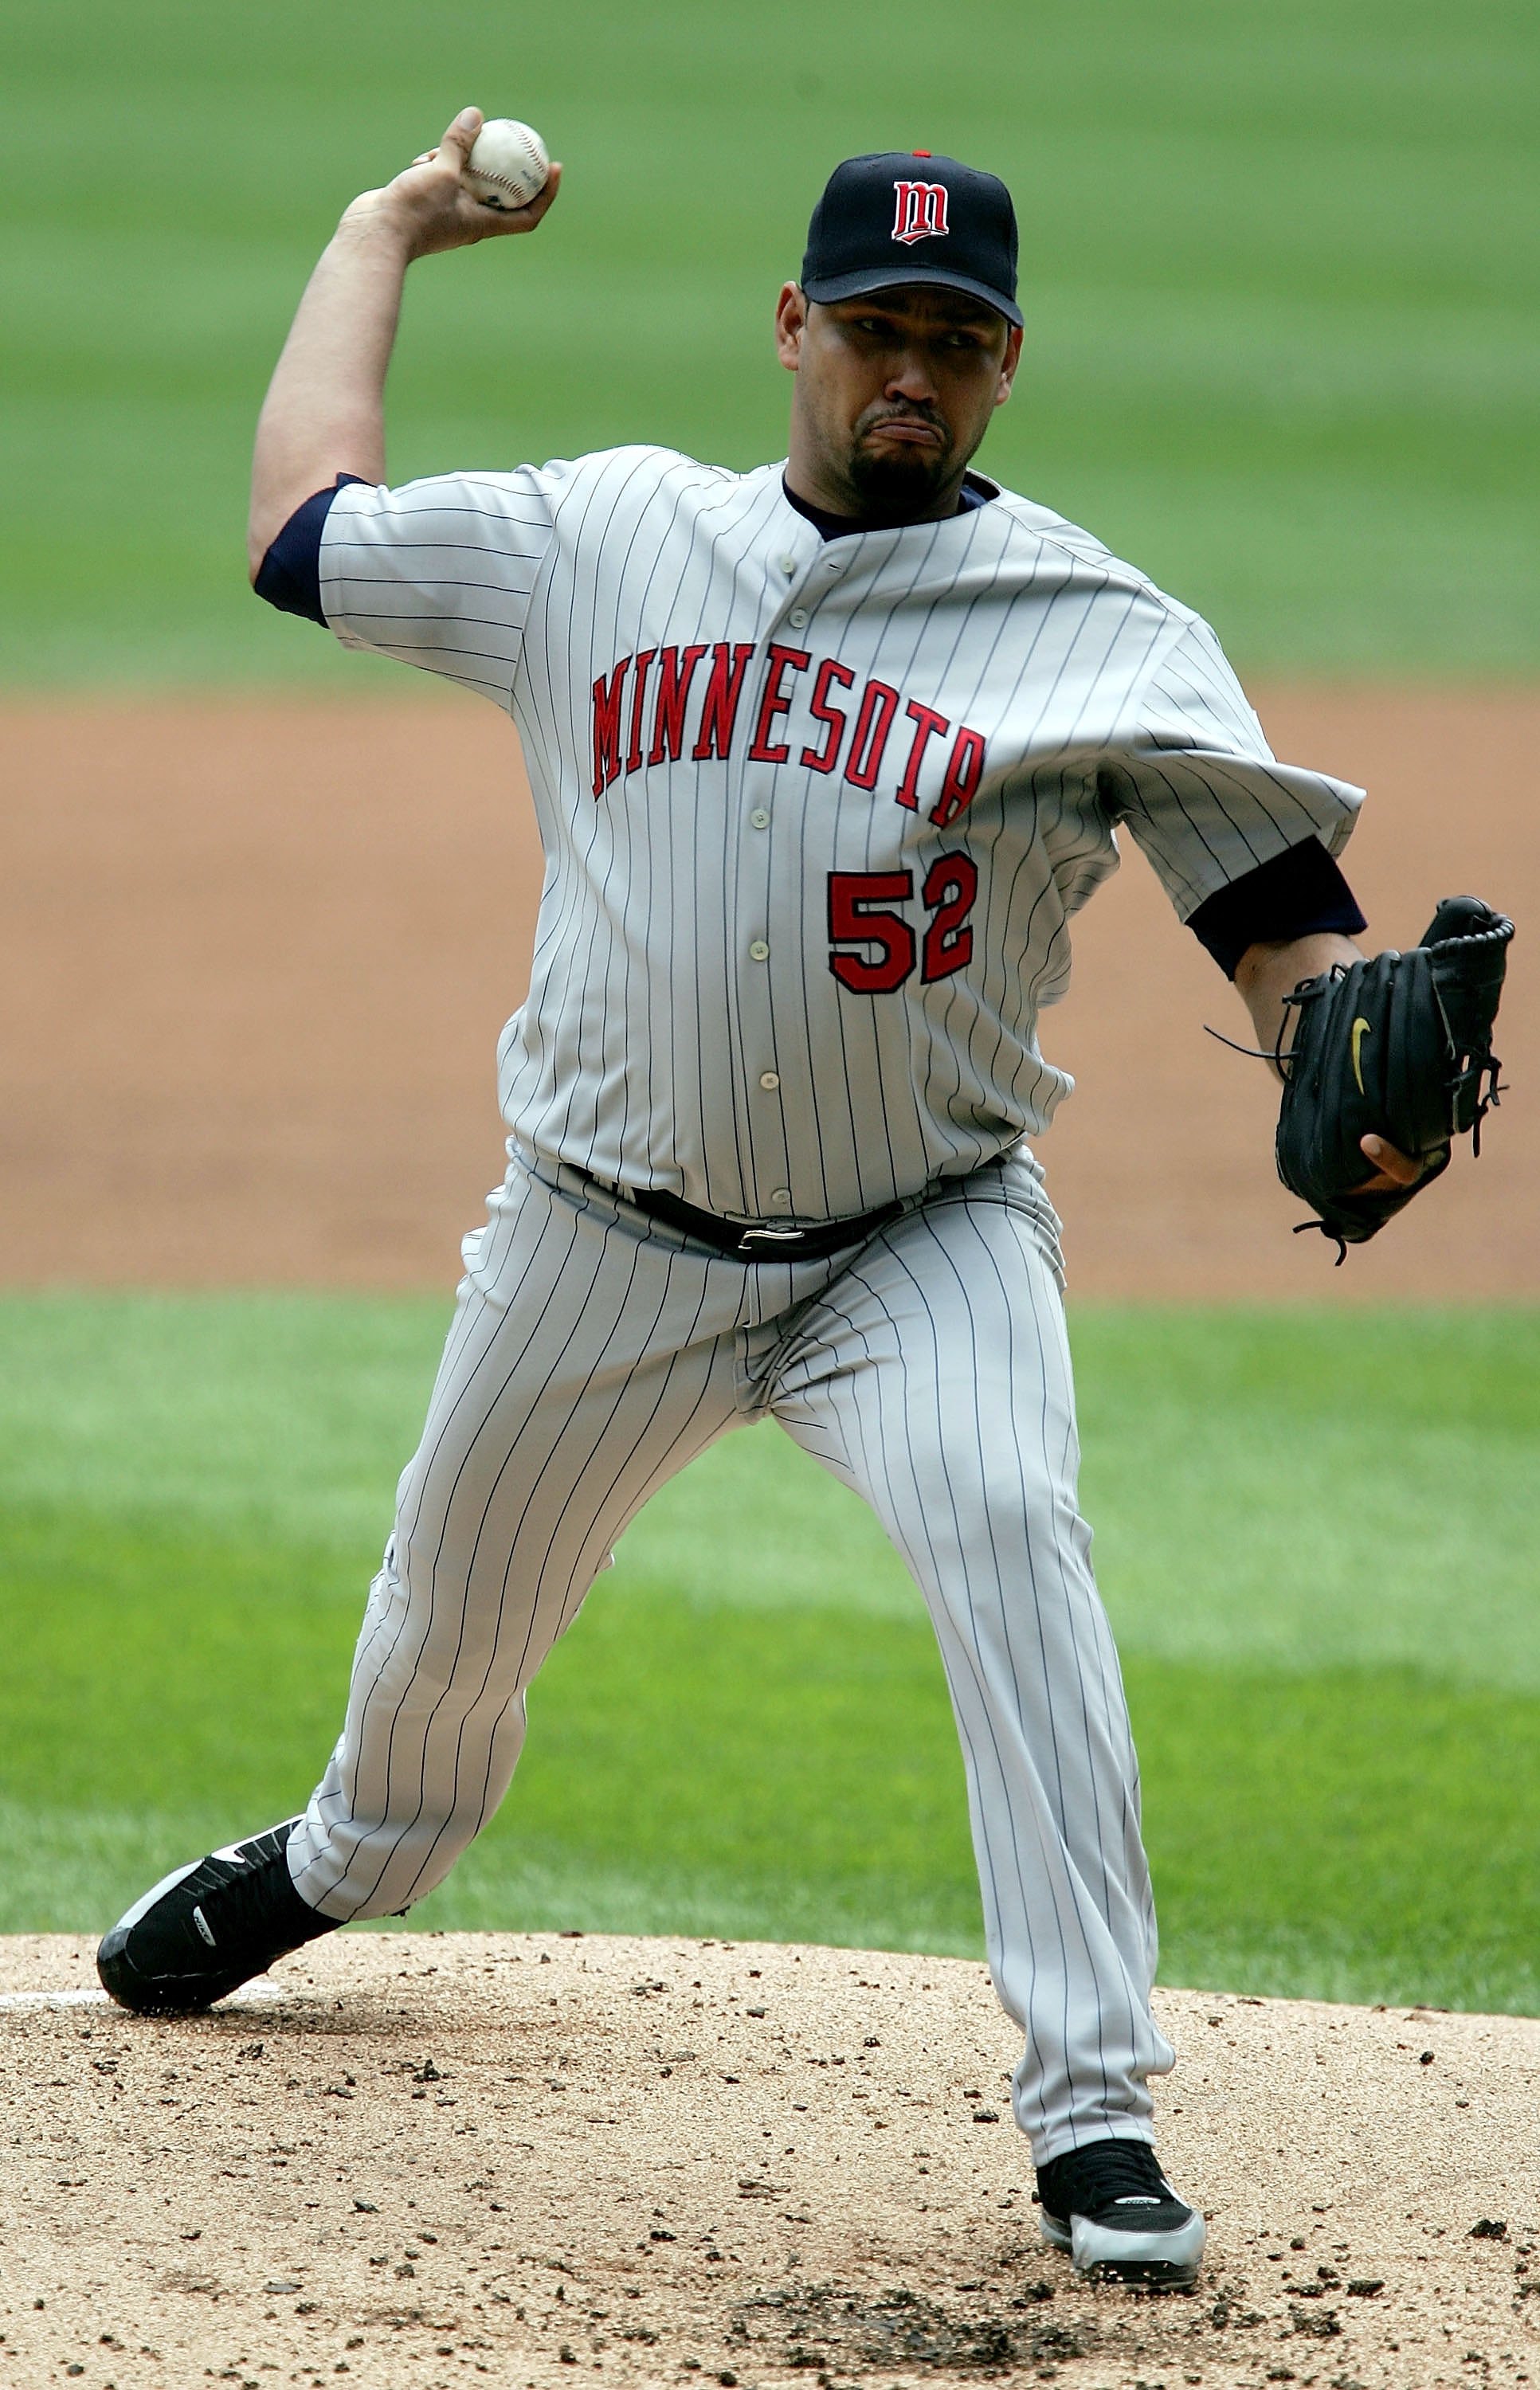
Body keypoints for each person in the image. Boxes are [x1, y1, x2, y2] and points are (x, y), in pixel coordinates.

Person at [97, 113, 1424, 2289]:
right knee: (449, 1633)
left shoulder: (1093, 623)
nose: (914, 373)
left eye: (960, 344)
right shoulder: (600, 539)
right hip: (597, 1243)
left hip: (924, 1238)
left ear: (1009, 368)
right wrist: (381, 226)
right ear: (791, 327)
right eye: (877, 330)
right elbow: (301, 533)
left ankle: (1093, 2117)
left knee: (1011, 1533)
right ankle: (346, 1859)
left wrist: (1347, 1072)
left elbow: (1285, 925)